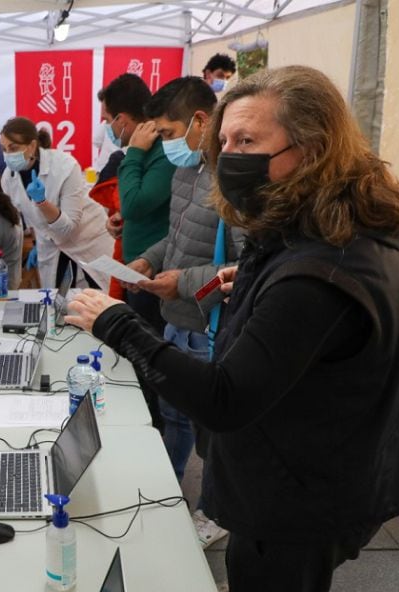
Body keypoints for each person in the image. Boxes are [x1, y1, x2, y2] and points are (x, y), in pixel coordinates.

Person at [65, 65, 399, 592]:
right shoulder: (332, 230)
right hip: (322, 468)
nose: (230, 158)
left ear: (310, 148)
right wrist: (249, 283)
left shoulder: (318, 272)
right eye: (226, 143)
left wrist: (119, 326)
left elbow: (225, 398)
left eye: (249, 143)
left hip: (301, 497)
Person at [124, 77, 243, 527]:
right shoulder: (186, 170)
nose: (167, 145)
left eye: (169, 134)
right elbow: (175, 238)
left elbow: (249, 267)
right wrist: (147, 261)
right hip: (174, 321)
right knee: (173, 418)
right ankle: (166, 497)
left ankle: (214, 515)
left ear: (199, 121)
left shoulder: (233, 183)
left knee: (214, 436)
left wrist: (186, 282)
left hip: (210, 330)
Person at [98, 72, 175, 333]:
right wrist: (121, 219)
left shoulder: (159, 151)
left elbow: (134, 203)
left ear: (121, 120)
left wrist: (133, 153)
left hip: (156, 273)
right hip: (137, 269)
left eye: (107, 120)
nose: (106, 127)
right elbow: (133, 206)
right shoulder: (146, 150)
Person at [0, 116, 114, 291]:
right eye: (4, 149)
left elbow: (68, 227)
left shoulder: (65, 166)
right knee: (56, 300)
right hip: (51, 245)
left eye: (13, 148)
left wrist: (41, 201)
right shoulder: (9, 177)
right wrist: (38, 243)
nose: (8, 155)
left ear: (31, 145)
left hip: (87, 238)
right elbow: (30, 219)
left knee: (103, 295)